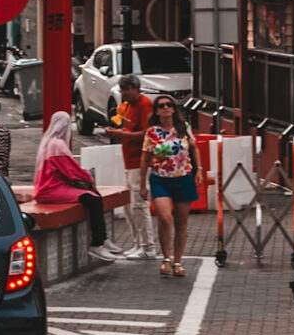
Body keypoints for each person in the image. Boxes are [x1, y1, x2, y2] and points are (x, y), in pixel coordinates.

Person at [33, 111, 115, 262]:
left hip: (51, 187)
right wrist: (88, 178)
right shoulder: (57, 145)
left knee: (94, 197)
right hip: (51, 189)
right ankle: (98, 243)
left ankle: (102, 237)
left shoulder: (51, 143)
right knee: (93, 198)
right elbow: (72, 171)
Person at [140, 95, 199, 276]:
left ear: (174, 108)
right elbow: (145, 158)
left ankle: (178, 261)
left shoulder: (184, 128)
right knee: (165, 218)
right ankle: (166, 258)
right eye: (161, 106)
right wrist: (142, 184)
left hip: (183, 178)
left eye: (169, 105)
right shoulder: (152, 132)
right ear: (156, 111)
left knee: (182, 223)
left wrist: (200, 170)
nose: (165, 108)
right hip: (160, 179)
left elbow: (194, 148)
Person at [105, 73, 155, 259]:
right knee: (130, 205)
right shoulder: (128, 107)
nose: (124, 93)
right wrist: (121, 133)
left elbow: (147, 134)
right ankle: (138, 243)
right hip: (130, 161)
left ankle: (147, 246)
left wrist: (122, 135)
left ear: (136, 88)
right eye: (122, 90)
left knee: (139, 204)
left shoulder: (145, 105)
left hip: (140, 161)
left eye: (126, 90)